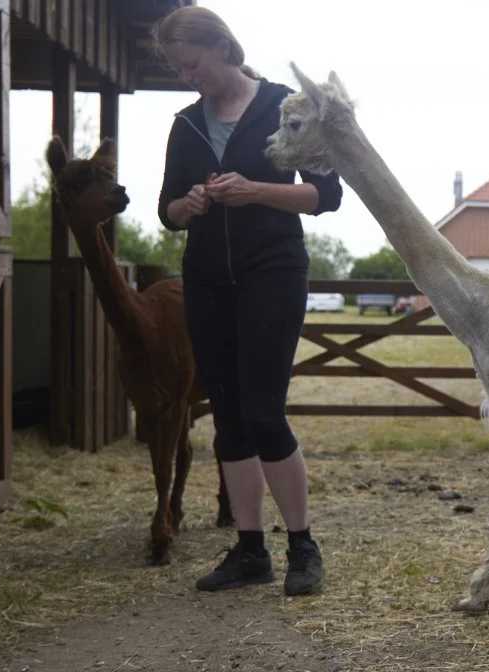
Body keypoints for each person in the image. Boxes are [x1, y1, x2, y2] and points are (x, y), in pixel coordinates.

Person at [153, 6, 343, 596]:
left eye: (194, 64)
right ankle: (250, 549)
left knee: (263, 412)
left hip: (273, 270)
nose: (189, 76)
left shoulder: (286, 107)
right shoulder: (185, 125)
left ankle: (303, 546)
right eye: (179, 68)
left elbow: (327, 196)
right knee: (229, 418)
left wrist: (254, 191)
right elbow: (167, 213)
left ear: (223, 48)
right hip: (207, 281)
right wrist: (191, 204)